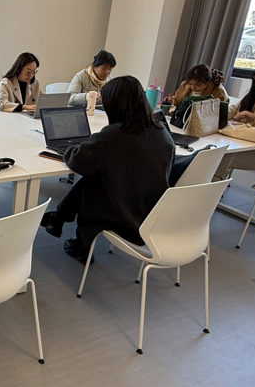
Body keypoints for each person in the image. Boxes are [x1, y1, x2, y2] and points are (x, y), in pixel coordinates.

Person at [40, 76, 175, 261]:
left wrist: (70, 148)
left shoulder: (114, 136)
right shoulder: (161, 131)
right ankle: (58, 218)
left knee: (92, 182)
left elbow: (78, 161)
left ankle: (80, 243)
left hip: (125, 217)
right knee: (99, 177)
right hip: (151, 213)